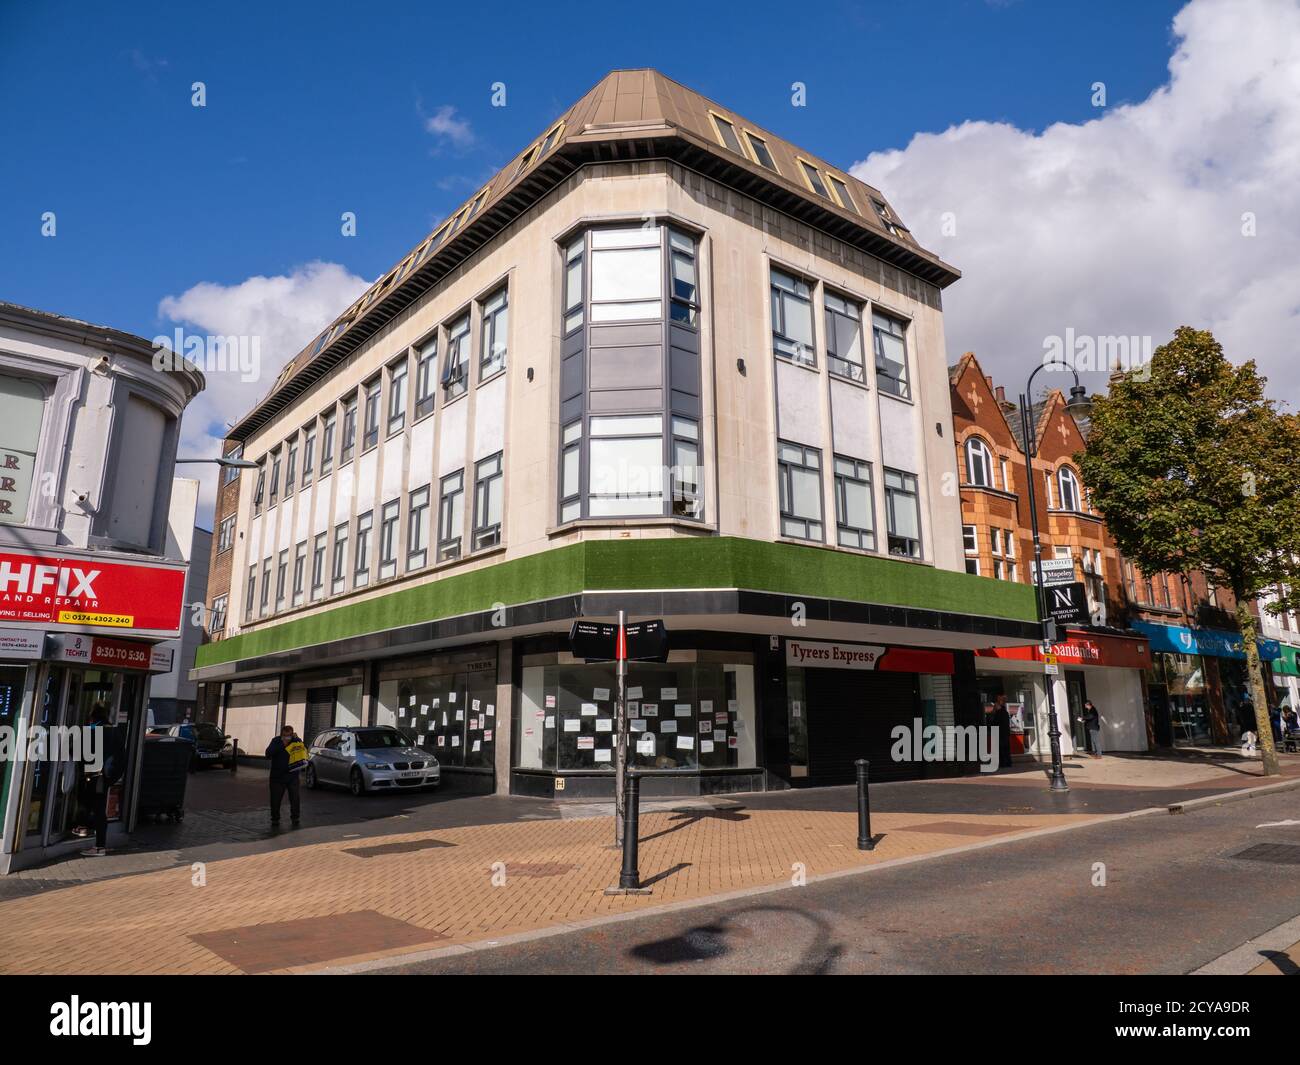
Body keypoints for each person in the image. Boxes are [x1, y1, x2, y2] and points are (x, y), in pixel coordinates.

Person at [80, 705, 125, 857]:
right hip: (108, 775)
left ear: (93, 718)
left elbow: (82, 752)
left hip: (98, 775)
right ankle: (86, 828)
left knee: (97, 808)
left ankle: (99, 846)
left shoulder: (95, 731)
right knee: (94, 804)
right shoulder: (114, 730)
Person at [266, 725, 307, 828]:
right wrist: (282, 745)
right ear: (281, 735)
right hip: (277, 777)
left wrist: (297, 740)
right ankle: (275, 819)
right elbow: (268, 753)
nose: (286, 738)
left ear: (292, 734)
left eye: (288, 736)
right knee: (275, 799)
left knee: (295, 798)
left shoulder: (296, 741)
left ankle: (295, 818)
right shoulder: (276, 741)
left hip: (292, 776)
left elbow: (303, 752)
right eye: (284, 736)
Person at [985, 693, 1012, 771]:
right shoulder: (1005, 712)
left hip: (1000, 733)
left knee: (1001, 749)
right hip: (1004, 733)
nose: (994, 707)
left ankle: (1003, 763)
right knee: (1006, 749)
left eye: (995, 706)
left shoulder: (999, 714)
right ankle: (1007, 763)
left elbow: (994, 723)